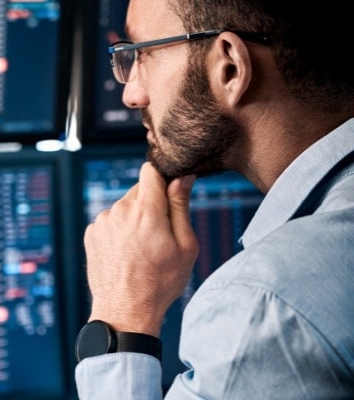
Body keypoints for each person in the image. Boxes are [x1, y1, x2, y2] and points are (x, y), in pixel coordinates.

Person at [75, 0, 354, 398]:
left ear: (230, 68)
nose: (131, 95)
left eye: (140, 55)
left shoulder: (264, 305)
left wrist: (121, 320)